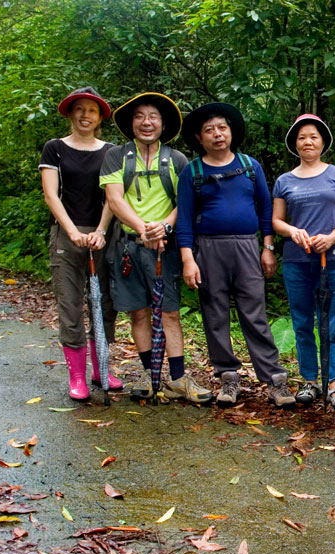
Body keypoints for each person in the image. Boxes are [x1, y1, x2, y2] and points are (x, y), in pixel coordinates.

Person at [177, 102, 292, 408]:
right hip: (207, 249)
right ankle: (227, 377)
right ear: (200, 138)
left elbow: (266, 209)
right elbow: (184, 218)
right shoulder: (192, 171)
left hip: (246, 247)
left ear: (231, 132)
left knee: (255, 312)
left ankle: (275, 380)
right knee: (214, 314)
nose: (217, 134)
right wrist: (188, 259)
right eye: (209, 130)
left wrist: (268, 248)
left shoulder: (250, 166)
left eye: (222, 128)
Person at [100, 92, 213, 404]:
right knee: (139, 313)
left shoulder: (176, 160)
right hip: (128, 247)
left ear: (163, 124)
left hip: (165, 248)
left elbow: (185, 203)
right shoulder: (116, 156)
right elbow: (114, 199)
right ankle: (149, 375)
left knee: (170, 313)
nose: (146, 122)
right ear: (131, 123)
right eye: (139, 116)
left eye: (153, 117)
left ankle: (177, 379)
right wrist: (143, 229)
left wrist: (163, 227)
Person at [40, 87, 123, 400]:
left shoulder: (111, 151)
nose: (85, 115)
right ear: (70, 114)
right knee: (70, 304)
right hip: (66, 234)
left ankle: (101, 368)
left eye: (92, 110)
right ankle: (77, 376)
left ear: (100, 117)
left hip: (103, 234)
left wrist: (101, 230)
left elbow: (113, 196)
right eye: (79, 109)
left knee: (105, 303)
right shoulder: (55, 148)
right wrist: (73, 231)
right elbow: (51, 194)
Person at [272, 114, 335, 411]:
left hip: (330, 259)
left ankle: (334, 384)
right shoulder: (284, 181)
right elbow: (276, 221)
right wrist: (292, 231)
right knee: (302, 322)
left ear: (323, 142)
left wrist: (333, 236)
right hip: (296, 261)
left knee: (331, 322)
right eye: (302, 137)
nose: (308, 142)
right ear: (295, 143)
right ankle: (309, 381)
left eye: (314, 136)